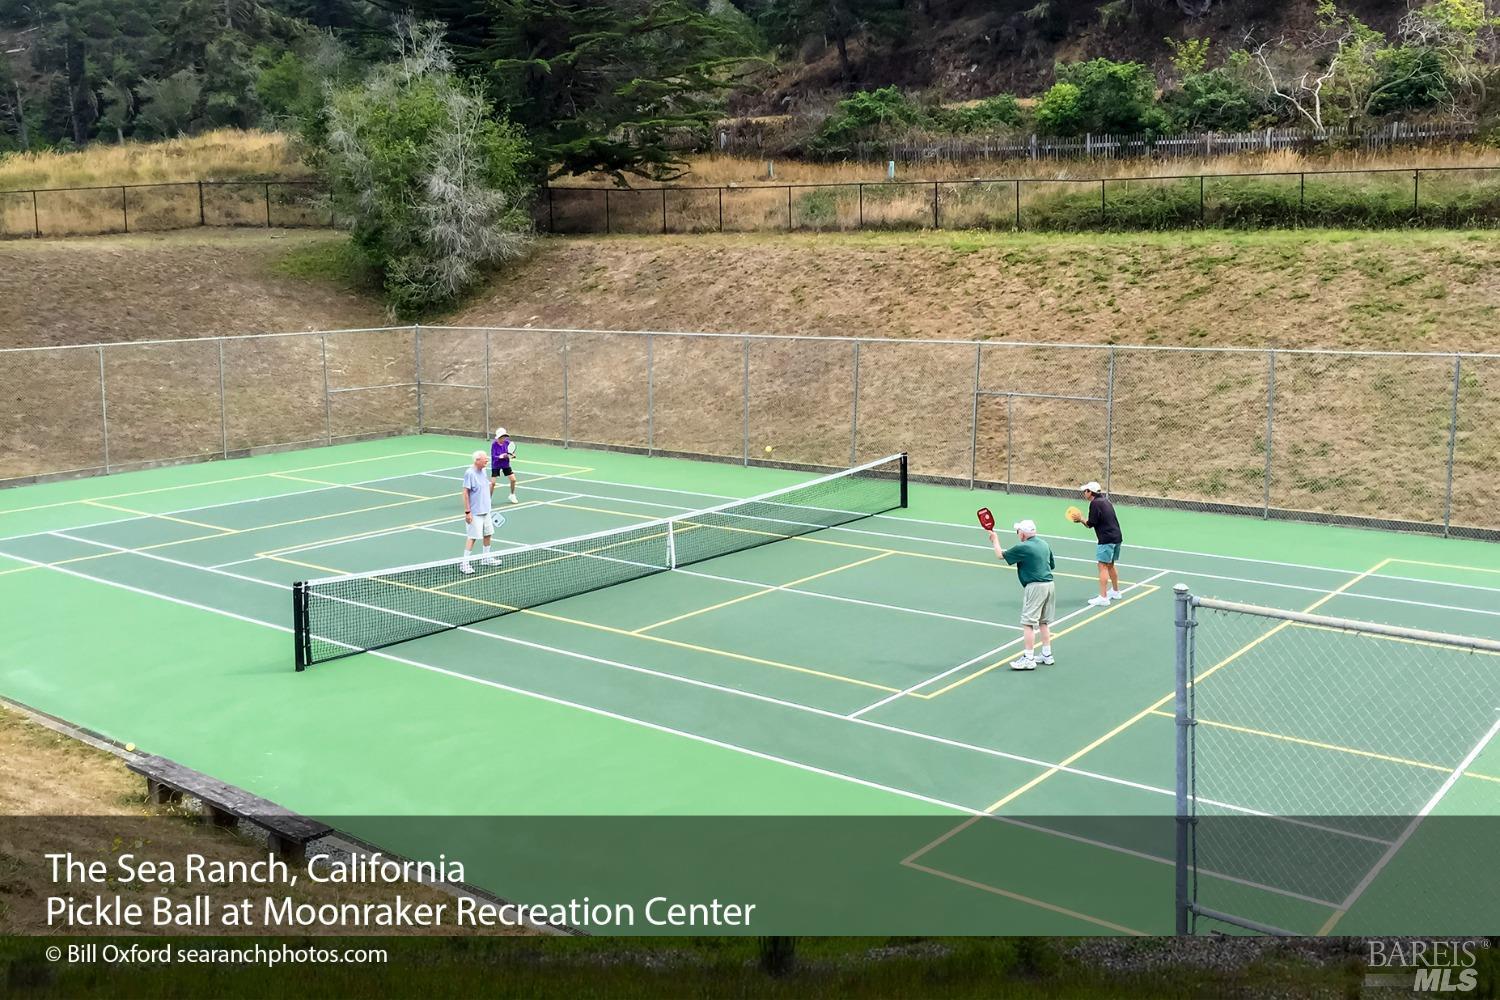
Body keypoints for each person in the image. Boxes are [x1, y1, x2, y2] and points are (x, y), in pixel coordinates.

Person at [985, 519, 1055, 671]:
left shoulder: (1023, 547)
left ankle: (1029, 658)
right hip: (1049, 585)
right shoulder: (1044, 544)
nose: (1017, 533)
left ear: (1023, 533)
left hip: (1035, 587)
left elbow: (1000, 555)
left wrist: (995, 539)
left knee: (1028, 623)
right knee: (1043, 622)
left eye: (1018, 531)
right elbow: (1052, 565)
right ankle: (1047, 655)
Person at [1070, 480, 1123, 608]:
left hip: (1106, 540)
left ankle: (1103, 597)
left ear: (1090, 492)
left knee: (1102, 566)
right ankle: (1116, 592)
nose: (1084, 493)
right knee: (1110, 564)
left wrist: (1080, 519)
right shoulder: (1105, 501)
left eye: (1085, 491)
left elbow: (1090, 524)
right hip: (1117, 537)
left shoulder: (1094, 504)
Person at [460, 450, 499, 574]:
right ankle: (464, 563)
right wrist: (467, 512)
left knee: (488, 534)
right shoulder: (469, 473)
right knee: (472, 537)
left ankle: (486, 558)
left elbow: (485, 489)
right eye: (485, 459)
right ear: (477, 460)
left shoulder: (484, 471)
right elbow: (465, 492)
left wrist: (491, 488)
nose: (487, 460)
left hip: (486, 511)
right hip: (475, 512)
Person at [491, 428, 519, 504]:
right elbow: (493, 456)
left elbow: (510, 452)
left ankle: (512, 495)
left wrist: (512, 455)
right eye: (501, 437)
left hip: (505, 464)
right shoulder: (494, 444)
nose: (503, 439)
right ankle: (488, 499)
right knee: (493, 483)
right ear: (498, 437)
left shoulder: (507, 443)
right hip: (496, 464)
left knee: (513, 479)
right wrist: (501, 456)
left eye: (504, 437)